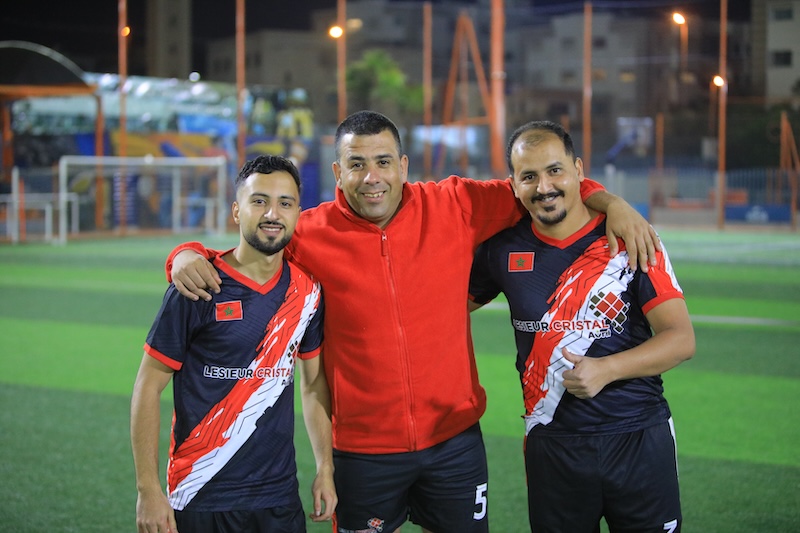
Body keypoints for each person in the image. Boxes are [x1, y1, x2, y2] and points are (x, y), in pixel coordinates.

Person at [165, 111, 660, 533]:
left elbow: (540, 186)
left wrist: (612, 203)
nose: (372, 177)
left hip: (455, 444)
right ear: (338, 171)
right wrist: (185, 254)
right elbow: (246, 252)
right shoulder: (309, 233)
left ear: (403, 166)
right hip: (361, 452)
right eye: (357, 164)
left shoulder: (455, 203)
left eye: (383, 162)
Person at [468, 120, 695, 532]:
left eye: (555, 170)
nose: (544, 187)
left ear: (578, 171)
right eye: (529, 177)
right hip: (552, 443)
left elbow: (680, 339)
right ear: (513, 185)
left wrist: (606, 369)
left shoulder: (630, 238)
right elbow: (445, 307)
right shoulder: (502, 249)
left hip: (638, 436)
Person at [131, 155, 336, 533]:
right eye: (259, 201)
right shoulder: (197, 285)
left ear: (297, 213)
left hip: (278, 499)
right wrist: (148, 489)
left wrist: (325, 467)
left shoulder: (308, 292)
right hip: (200, 495)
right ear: (236, 210)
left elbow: (312, 385)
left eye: (285, 203)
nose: (272, 213)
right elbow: (147, 387)